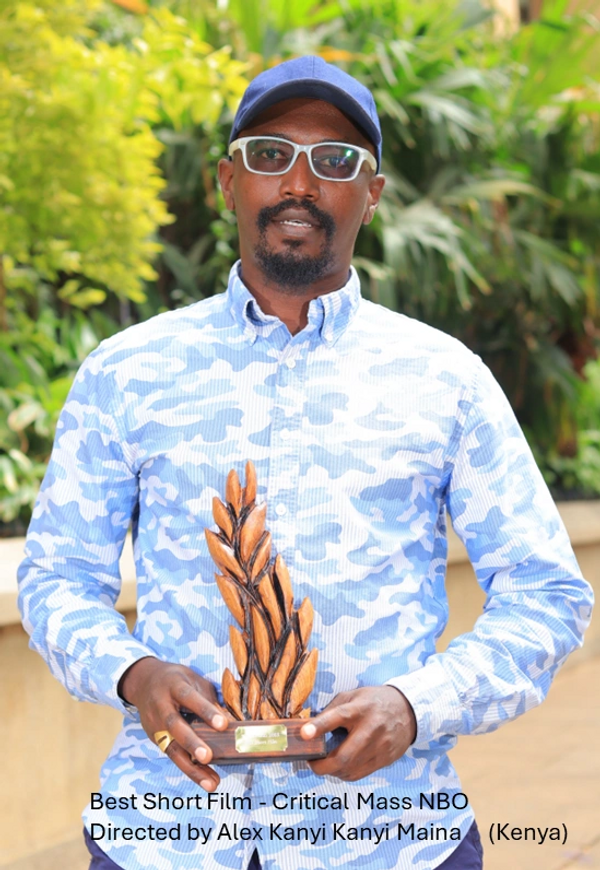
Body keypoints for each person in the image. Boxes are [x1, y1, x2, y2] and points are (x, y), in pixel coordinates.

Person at [18, 56, 592, 870]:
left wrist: (417, 705)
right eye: (269, 154)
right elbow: (55, 578)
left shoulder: (446, 380)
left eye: (335, 160)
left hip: (392, 837)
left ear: (372, 192)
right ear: (228, 181)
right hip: (167, 836)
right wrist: (133, 673)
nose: (298, 181)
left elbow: (547, 594)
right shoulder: (127, 373)